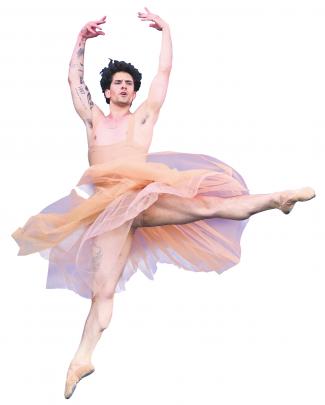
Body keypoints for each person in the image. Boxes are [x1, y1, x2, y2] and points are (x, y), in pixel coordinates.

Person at [11, 8, 316, 399]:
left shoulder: (143, 118)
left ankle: (278, 199)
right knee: (102, 292)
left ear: (134, 93)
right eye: (118, 83)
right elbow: (73, 81)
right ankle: (81, 359)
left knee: (207, 205)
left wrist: (167, 31)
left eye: (129, 84)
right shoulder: (93, 121)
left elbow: (164, 75)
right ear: (107, 91)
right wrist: (80, 40)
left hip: (143, 196)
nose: (124, 87)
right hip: (108, 212)